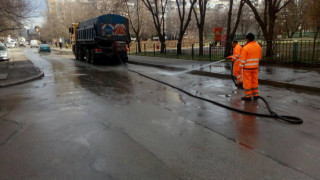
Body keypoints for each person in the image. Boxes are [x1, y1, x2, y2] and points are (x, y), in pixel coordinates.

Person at [240, 33, 262, 101]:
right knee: (255, 81)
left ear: (248, 39)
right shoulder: (258, 46)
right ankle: (255, 95)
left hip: (247, 68)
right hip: (255, 67)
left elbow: (243, 60)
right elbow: (259, 57)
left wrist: (240, 67)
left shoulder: (246, 47)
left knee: (247, 82)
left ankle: (248, 96)